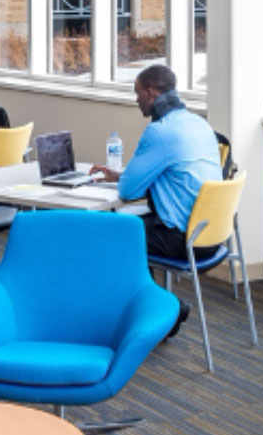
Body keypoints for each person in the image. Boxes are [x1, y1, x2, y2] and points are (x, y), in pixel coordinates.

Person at [90, 65, 222, 337]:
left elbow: (127, 192)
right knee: (130, 231)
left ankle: (162, 309)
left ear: (151, 93)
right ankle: (150, 313)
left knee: (104, 232)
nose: (136, 99)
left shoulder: (160, 132)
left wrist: (124, 178)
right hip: (210, 236)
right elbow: (171, 171)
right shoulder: (199, 123)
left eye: (137, 93)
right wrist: (121, 174)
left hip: (181, 239)